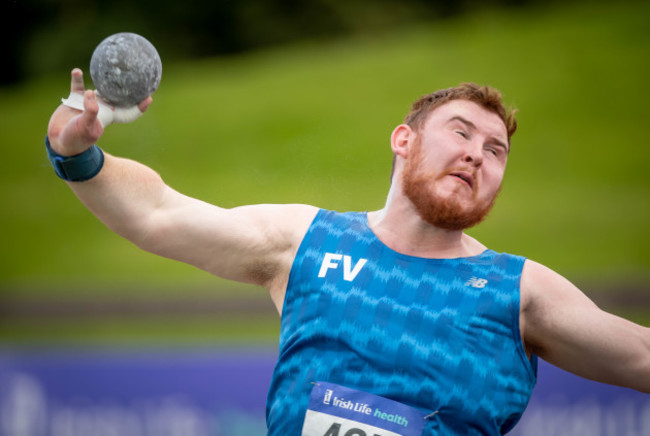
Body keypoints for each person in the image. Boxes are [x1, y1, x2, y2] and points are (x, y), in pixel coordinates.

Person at [46, 68, 649, 435]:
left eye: (496, 151)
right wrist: (78, 157)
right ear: (403, 140)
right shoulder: (305, 240)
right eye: (461, 132)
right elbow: (158, 213)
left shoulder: (518, 291)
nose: (477, 155)